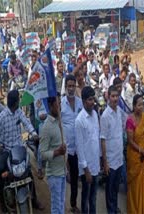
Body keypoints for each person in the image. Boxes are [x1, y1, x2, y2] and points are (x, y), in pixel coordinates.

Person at [0, 90, 43, 212]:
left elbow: (27, 123)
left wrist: (34, 134)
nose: (19, 102)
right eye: (18, 100)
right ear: (15, 103)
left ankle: (34, 200)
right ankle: (2, 202)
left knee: (28, 171)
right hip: (6, 149)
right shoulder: (2, 116)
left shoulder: (19, 112)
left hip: (19, 148)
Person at [75, 86, 100, 214]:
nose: (93, 102)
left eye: (93, 99)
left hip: (95, 165)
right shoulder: (79, 121)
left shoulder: (95, 114)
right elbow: (79, 148)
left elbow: (96, 139)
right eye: (90, 100)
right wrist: (86, 171)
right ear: (84, 101)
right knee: (85, 199)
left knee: (93, 198)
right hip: (87, 169)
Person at [40, 95, 67, 214]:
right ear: (51, 106)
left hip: (62, 171)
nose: (60, 107)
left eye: (60, 103)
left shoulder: (59, 122)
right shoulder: (47, 127)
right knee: (56, 207)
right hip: (54, 175)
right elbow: (42, 153)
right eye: (57, 104)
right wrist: (57, 152)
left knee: (61, 203)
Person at [100, 86, 124, 213]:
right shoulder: (105, 116)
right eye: (113, 96)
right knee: (109, 191)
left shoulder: (119, 111)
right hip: (110, 161)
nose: (115, 98)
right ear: (108, 97)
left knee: (115, 188)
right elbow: (103, 140)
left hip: (119, 158)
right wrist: (105, 162)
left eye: (117, 96)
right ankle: (111, 210)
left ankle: (114, 209)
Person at [61, 75, 83, 213]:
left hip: (79, 148)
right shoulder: (61, 104)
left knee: (75, 178)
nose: (70, 88)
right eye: (68, 86)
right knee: (62, 179)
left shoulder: (80, 102)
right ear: (65, 87)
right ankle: (60, 207)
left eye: (72, 86)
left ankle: (73, 204)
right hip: (65, 149)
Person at [126, 94, 144, 214]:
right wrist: (141, 150)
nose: (141, 107)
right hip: (134, 156)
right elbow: (130, 141)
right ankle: (134, 210)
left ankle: (142, 209)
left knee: (142, 184)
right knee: (134, 186)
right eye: (139, 105)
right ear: (134, 106)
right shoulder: (130, 120)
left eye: (142, 105)